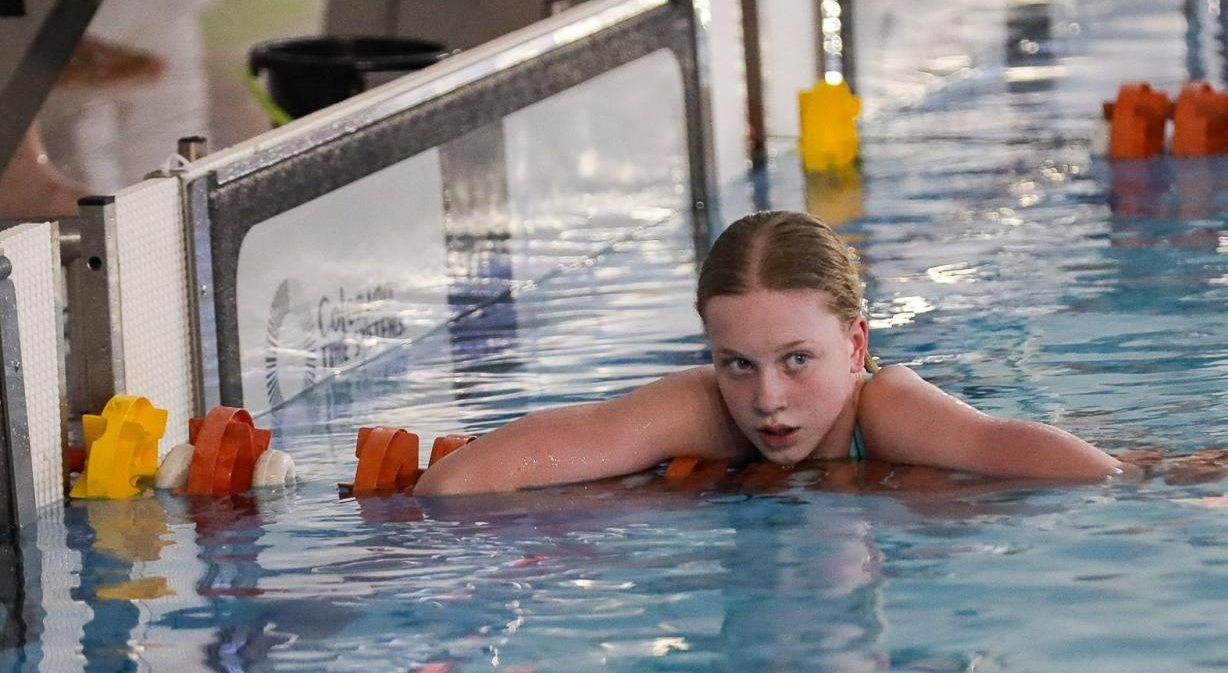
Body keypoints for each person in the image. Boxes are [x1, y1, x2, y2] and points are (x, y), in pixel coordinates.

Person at [414, 210, 1128, 496]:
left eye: (796, 361)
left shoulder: (886, 410)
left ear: (855, 345)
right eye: (738, 364)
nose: (767, 400)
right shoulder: (707, 410)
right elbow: (457, 484)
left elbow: (1085, 469)